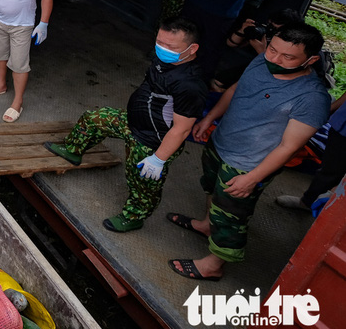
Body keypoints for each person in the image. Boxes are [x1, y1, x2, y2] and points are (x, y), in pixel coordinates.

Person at [165, 23, 331, 281]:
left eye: (287, 57)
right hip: (222, 143)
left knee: (232, 215)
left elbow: (290, 147)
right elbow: (234, 90)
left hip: (248, 165)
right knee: (212, 190)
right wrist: (210, 120)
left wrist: (252, 178)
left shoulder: (312, 98)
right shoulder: (262, 61)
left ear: (310, 59)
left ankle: (214, 265)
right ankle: (208, 225)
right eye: (272, 49)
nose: (275, 59)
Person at [45, 18, 207, 232]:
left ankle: (134, 217)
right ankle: (73, 150)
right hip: (132, 122)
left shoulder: (190, 85)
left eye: (170, 47)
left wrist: (158, 159)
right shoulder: (163, 60)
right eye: (160, 42)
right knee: (94, 119)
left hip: (152, 141)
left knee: (143, 182)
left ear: (191, 48)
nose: (162, 49)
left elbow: (182, 129)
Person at [177, 0, 267, 81]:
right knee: (183, 40)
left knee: (209, 51)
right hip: (197, 0)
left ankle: (196, 85)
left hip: (222, 10)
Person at [276, 91, 346, 212]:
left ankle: (329, 214)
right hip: (341, 126)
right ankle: (308, 202)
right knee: (329, 169)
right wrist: (329, 110)